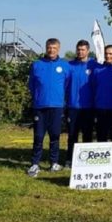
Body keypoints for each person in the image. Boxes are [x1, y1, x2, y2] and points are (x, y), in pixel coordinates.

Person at [27, 38, 71, 177]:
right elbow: (31, 85)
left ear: (58, 49)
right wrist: (39, 97)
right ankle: (35, 164)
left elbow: (67, 85)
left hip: (57, 106)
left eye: (54, 48)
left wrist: (59, 98)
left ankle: (54, 163)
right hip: (40, 106)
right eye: (49, 48)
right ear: (46, 48)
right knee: (38, 136)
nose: (51, 50)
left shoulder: (65, 66)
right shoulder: (37, 65)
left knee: (55, 136)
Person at [65, 39, 97, 167]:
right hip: (72, 106)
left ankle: (87, 160)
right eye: (78, 49)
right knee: (72, 135)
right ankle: (70, 159)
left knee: (87, 135)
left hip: (88, 107)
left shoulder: (94, 65)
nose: (80, 52)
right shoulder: (69, 65)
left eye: (83, 50)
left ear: (88, 51)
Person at [92, 45, 112, 142]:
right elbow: (94, 87)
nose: (108, 56)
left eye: (111, 54)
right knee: (101, 135)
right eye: (106, 53)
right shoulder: (97, 70)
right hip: (100, 107)